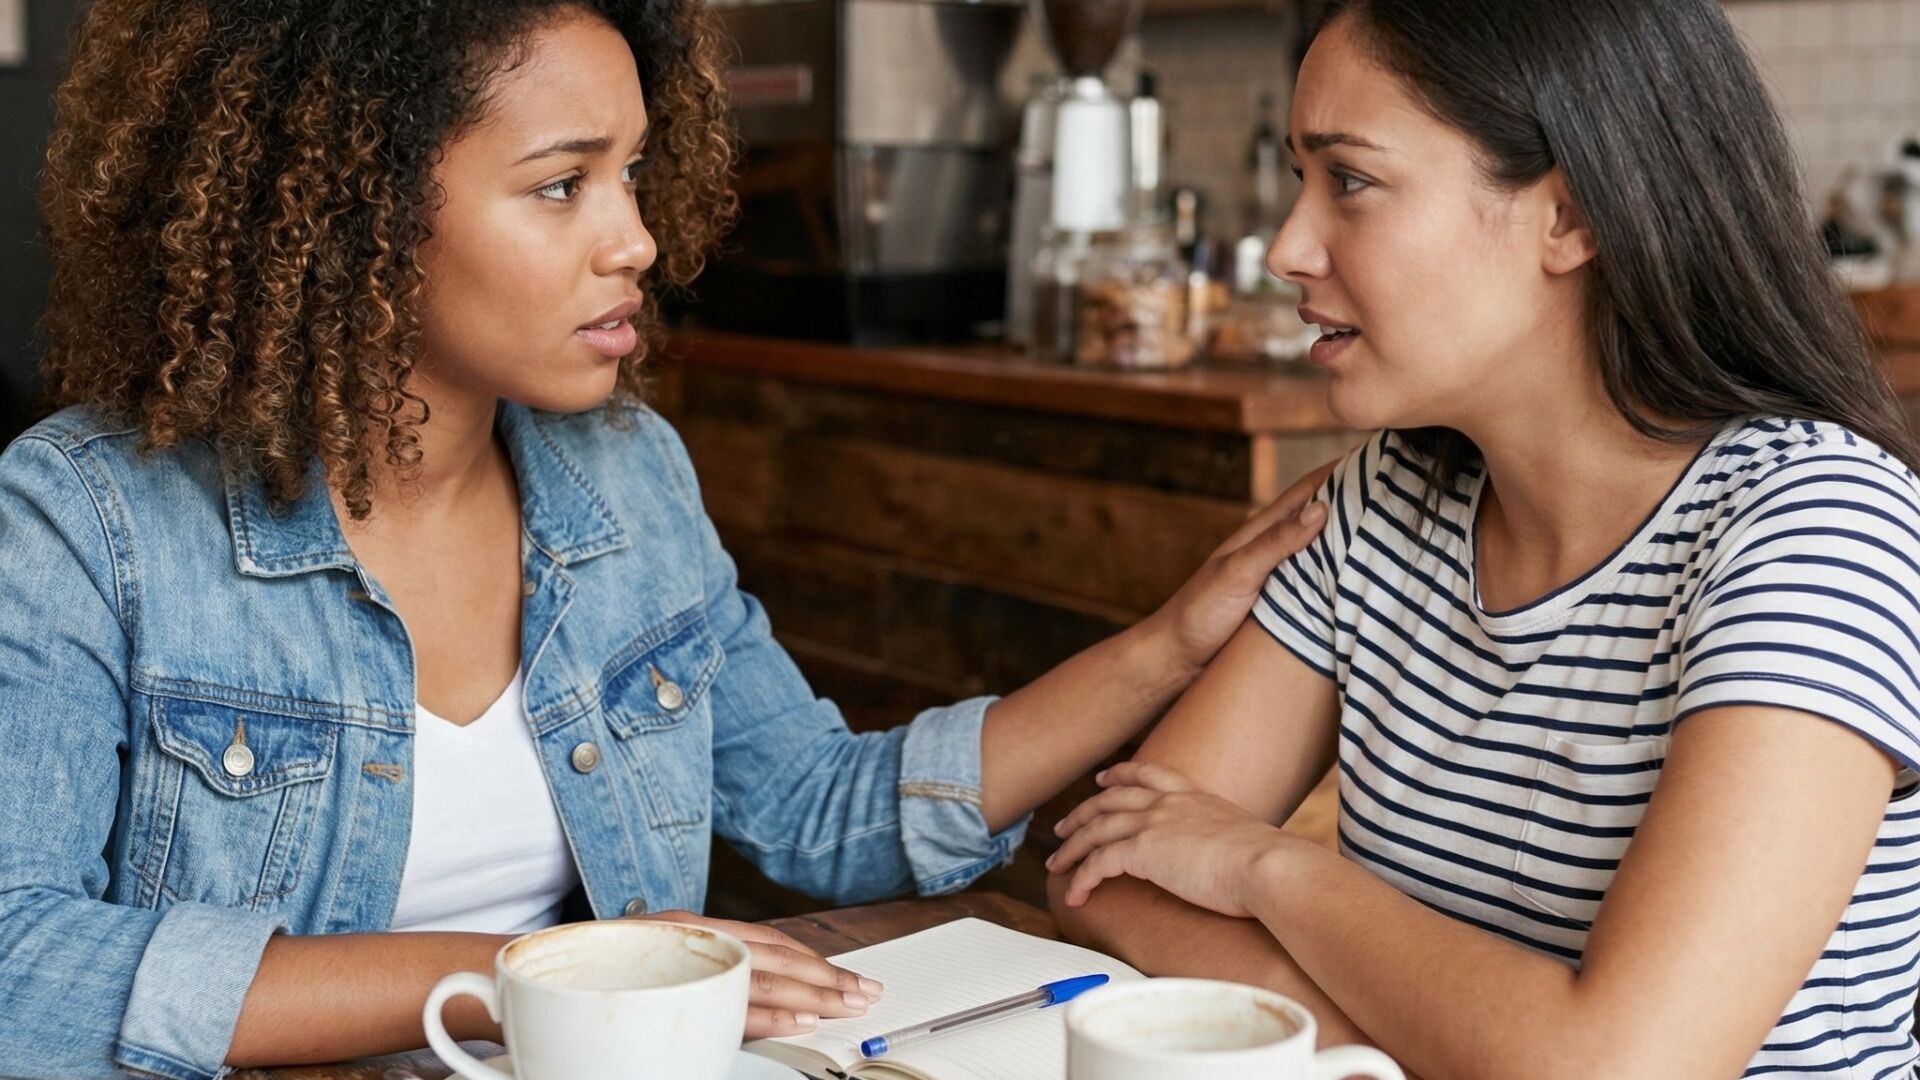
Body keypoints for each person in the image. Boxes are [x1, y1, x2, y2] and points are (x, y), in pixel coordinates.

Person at [0, 2, 1333, 1077]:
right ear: (350, 207)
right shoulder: (87, 521)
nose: (635, 237)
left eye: (631, 173)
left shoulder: (628, 480)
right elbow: (21, 970)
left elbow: (823, 810)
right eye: (562, 185)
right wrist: (561, 979)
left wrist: (1167, 646)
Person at [1047, 2, 1920, 1078]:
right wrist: (1429, 1042)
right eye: (1298, 178)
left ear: (1571, 215)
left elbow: (1621, 1068)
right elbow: (1109, 872)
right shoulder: (1386, 501)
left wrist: (1270, 872)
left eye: (1351, 182)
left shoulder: (1813, 530)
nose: (1287, 246)